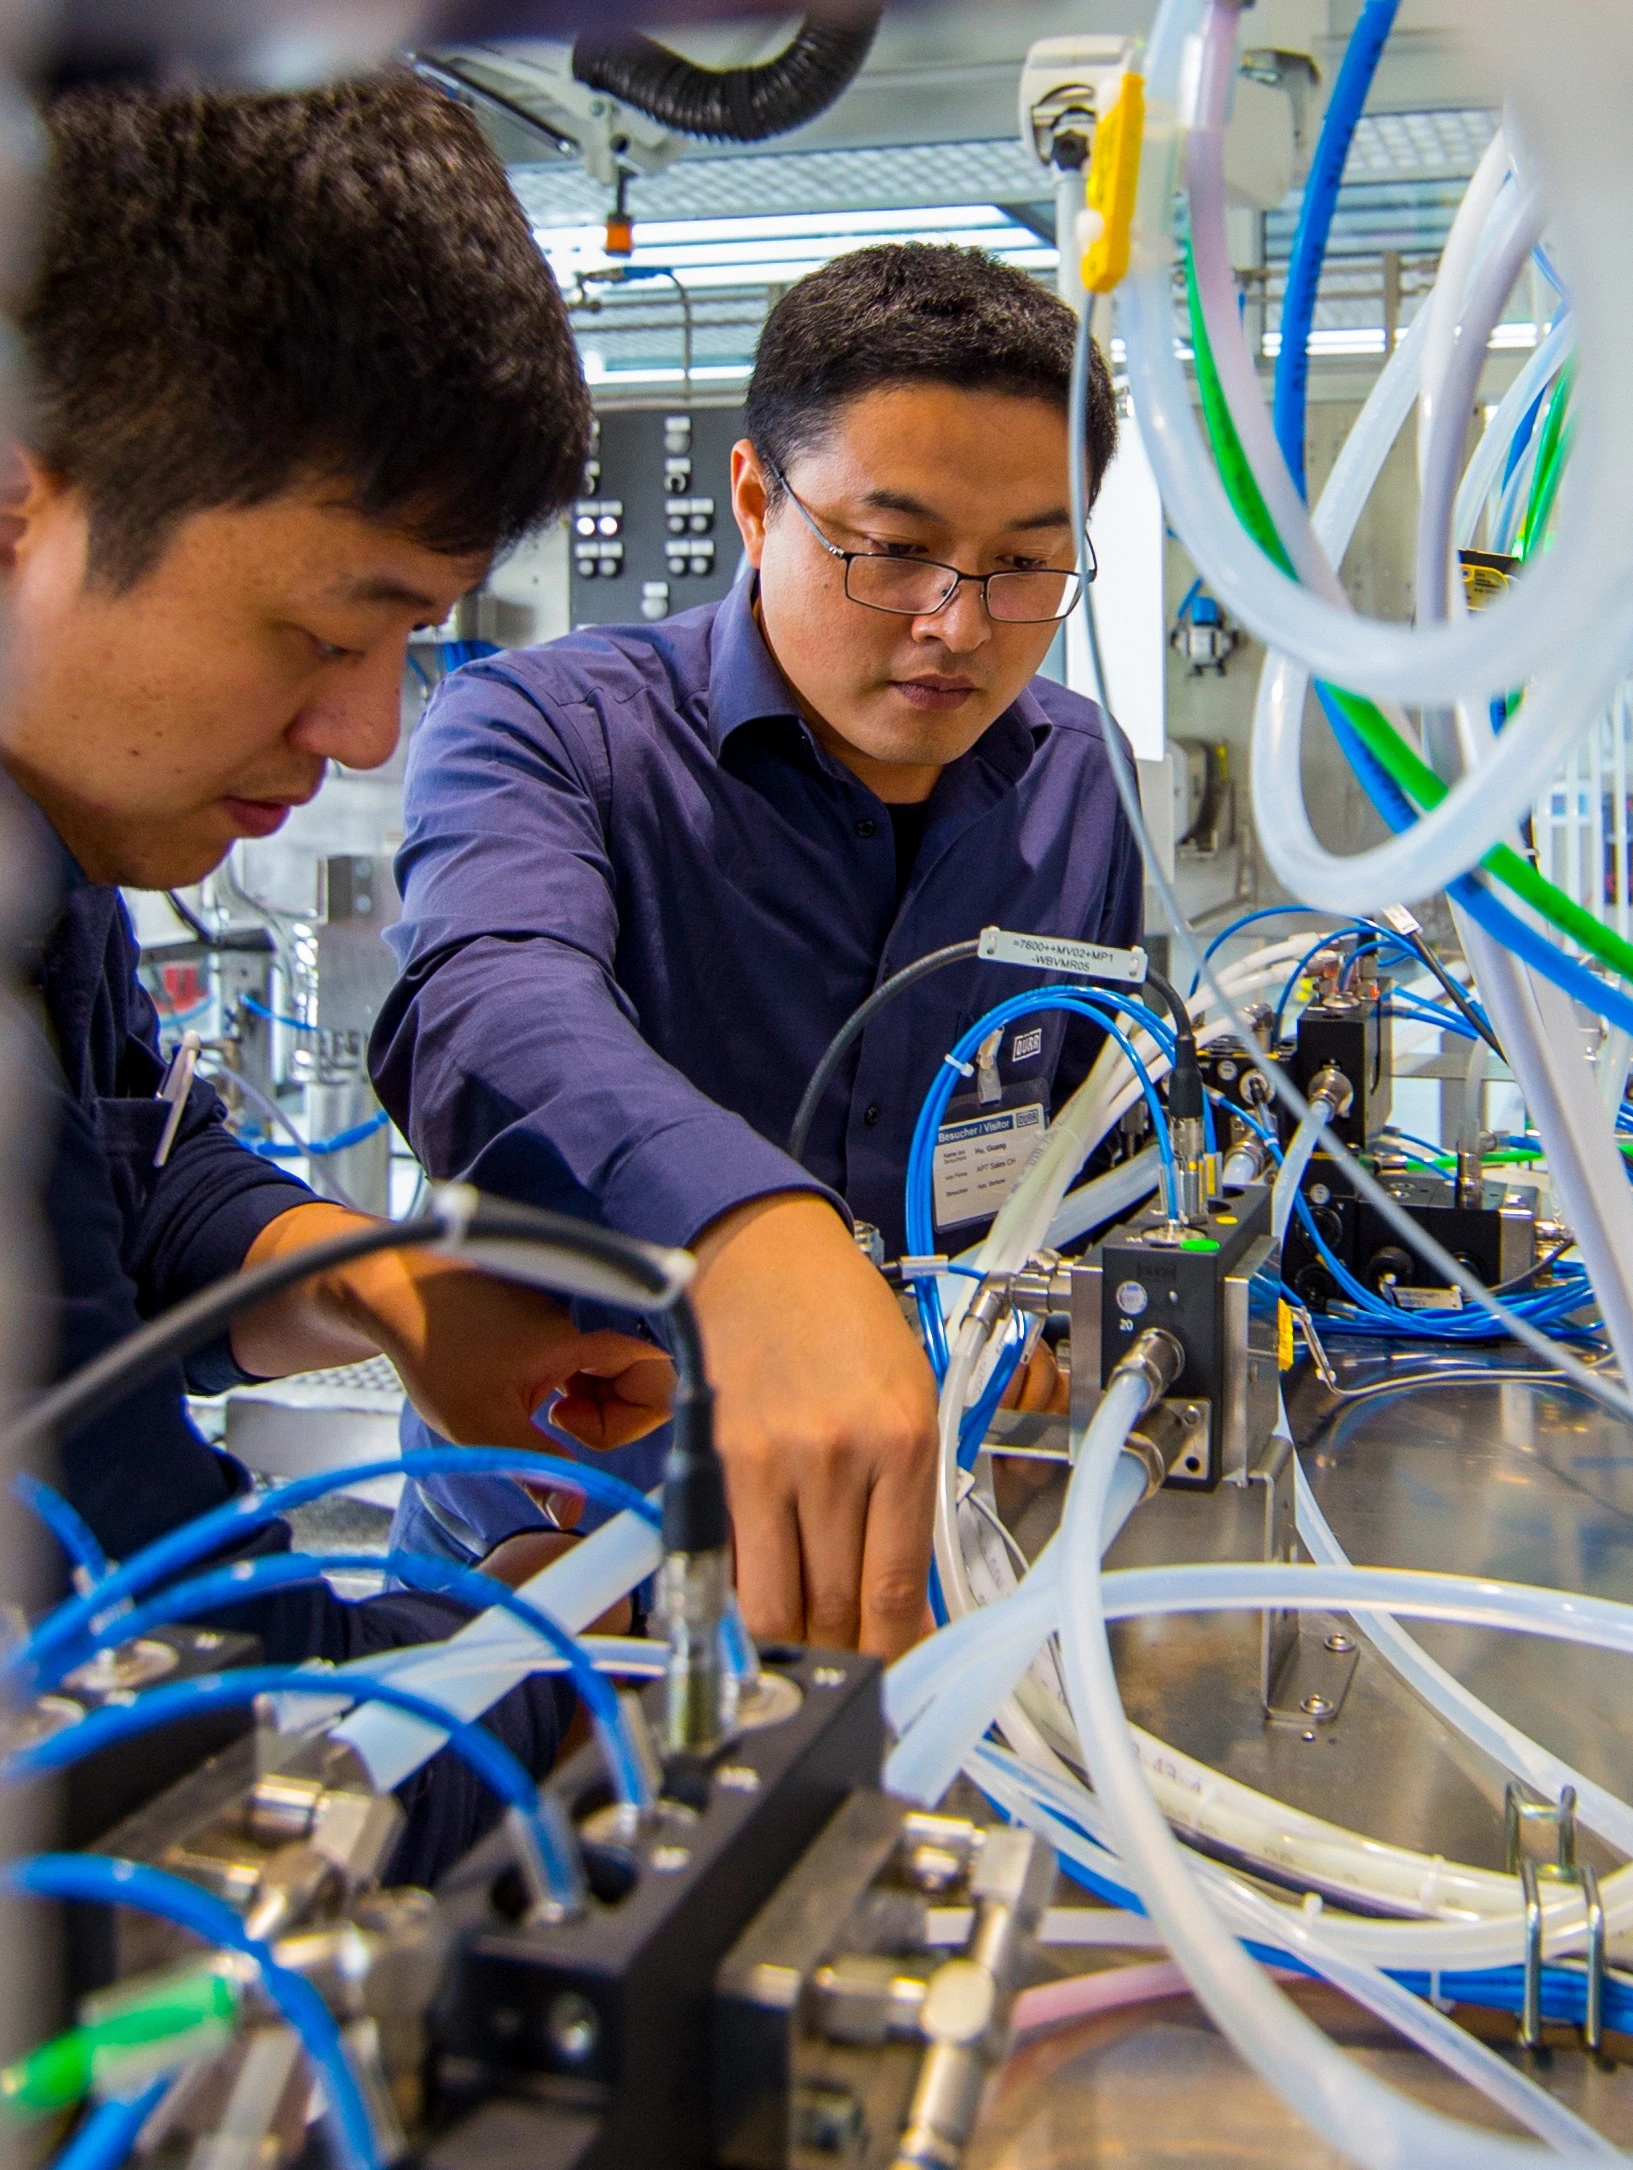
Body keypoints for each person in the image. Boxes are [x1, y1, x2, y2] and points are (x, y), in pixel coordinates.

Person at [6, 75, 674, 1876]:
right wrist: (564, 1650)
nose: (367, 728)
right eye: (323, 630)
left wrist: (394, 1291)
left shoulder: (50, 855)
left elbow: (136, 1189)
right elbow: (195, 1738)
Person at [375, 243, 1143, 1664]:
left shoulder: (1081, 781)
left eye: (1028, 565)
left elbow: (1093, 1135)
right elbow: (486, 1009)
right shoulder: (551, 734)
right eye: (894, 547)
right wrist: (749, 1234)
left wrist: (1047, 1319)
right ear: (753, 500)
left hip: (933, 1544)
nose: (956, 624)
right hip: (571, 1549)